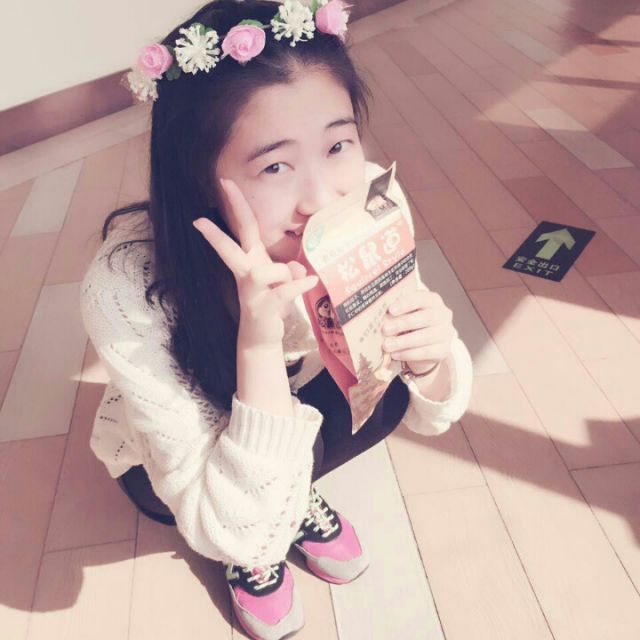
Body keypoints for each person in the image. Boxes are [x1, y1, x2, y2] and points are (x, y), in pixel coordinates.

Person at [79, 1, 474, 639]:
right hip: (177, 466)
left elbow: (435, 409)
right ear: (198, 178)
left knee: (394, 388)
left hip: (293, 411)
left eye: (338, 144)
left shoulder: (364, 196)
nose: (322, 198)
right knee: (224, 521)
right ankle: (266, 528)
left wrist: (432, 358)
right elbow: (216, 521)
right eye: (274, 166)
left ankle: (289, 491)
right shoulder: (128, 284)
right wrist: (258, 340)